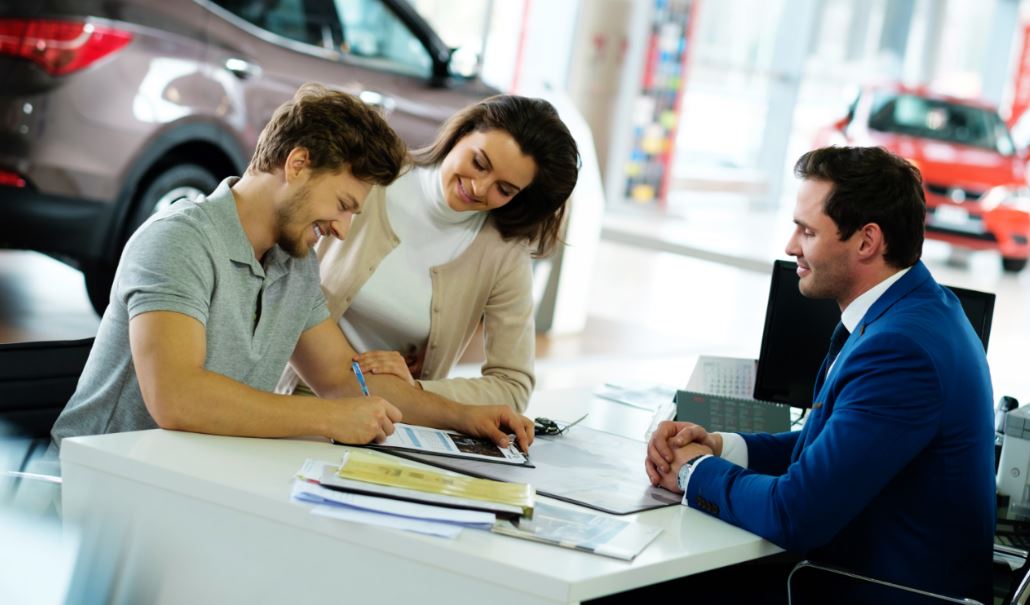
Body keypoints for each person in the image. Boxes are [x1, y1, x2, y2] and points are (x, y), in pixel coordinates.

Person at [51, 83, 532, 452]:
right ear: (298, 163)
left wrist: (463, 417)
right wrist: (328, 418)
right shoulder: (179, 240)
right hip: (102, 481)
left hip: (190, 483)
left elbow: (345, 379)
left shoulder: (294, 264)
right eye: (344, 204)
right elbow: (178, 398)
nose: (343, 229)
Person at [645, 146, 994, 603]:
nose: (791, 246)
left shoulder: (901, 350)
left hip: (871, 591)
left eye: (807, 231)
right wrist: (719, 446)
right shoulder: (915, 309)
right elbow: (826, 448)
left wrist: (692, 473)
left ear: (867, 241)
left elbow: (795, 514)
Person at [277, 95, 580, 412]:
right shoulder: (371, 178)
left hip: (389, 419)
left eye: (504, 189)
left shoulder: (503, 254)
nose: (479, 188)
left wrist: (418, 389)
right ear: (462, 133)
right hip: (290, 396)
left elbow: (513, 387)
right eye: (479, 163)